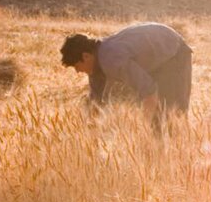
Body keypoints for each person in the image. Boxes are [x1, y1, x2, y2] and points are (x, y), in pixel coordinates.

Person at [60, 23, 192, 128]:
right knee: (157, 119)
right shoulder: (96, 63)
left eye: (77, 66)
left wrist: (146, 128)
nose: (77, 71)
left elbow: (148, 90)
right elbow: (96, 100)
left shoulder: (111, 60)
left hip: (174, 54)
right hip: (156, 58)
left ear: (86, 56)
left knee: (172, 115)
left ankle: (180, 153)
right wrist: (89, 131)